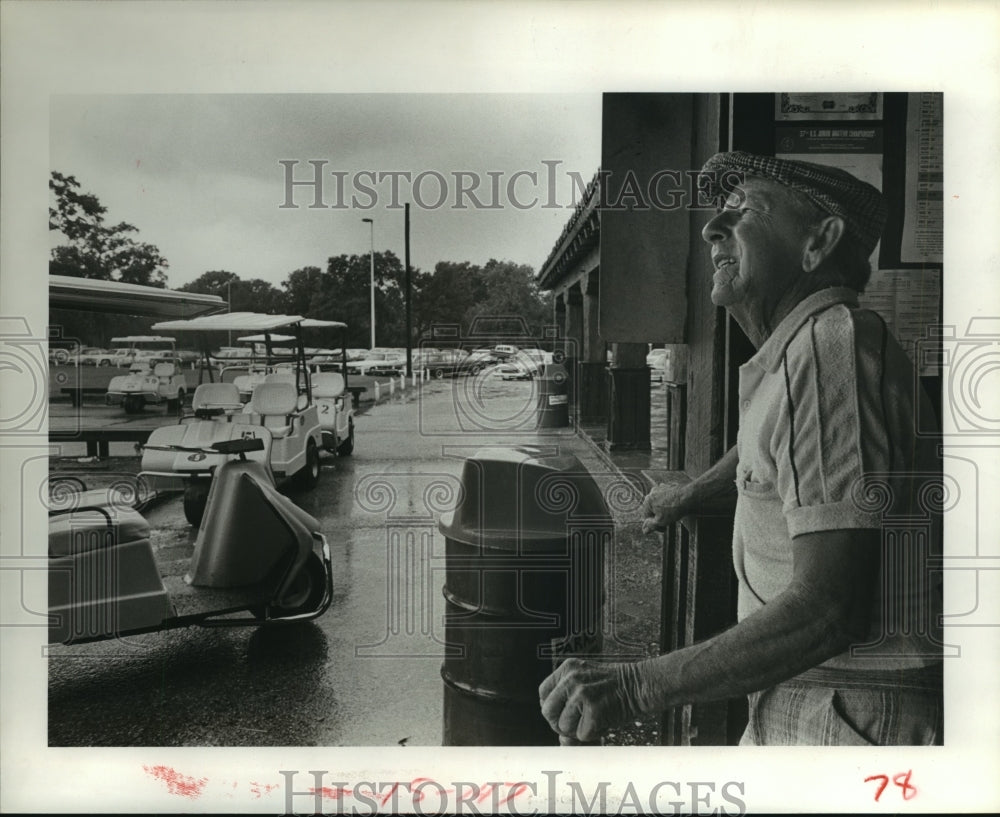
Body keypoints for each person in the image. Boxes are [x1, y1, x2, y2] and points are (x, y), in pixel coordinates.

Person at [538, 151, 944, 746]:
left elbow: (830, 607)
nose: (711, 229)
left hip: (848, 709)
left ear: (818, 242)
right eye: (720, 212)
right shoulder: (801, 349)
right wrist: (692, 494)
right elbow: (765, 456)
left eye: (744, 210)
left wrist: (634, 686)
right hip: (813, 694)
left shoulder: (832, 351)